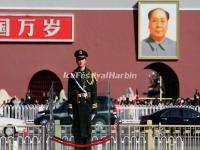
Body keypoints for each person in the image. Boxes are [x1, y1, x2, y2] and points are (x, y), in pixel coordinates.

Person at [67, 49, 97, 150]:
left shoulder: (91, 75)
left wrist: (94, 108)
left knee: (87, 134)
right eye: (78, 59)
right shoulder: (72, 75)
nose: (80, 61)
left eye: (82, 59)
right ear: (76, 61)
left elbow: (94, 93)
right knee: (78, 133)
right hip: (77, 107)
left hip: (87, 107)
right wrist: (70, 109)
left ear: (86, 61)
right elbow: (70, 93)